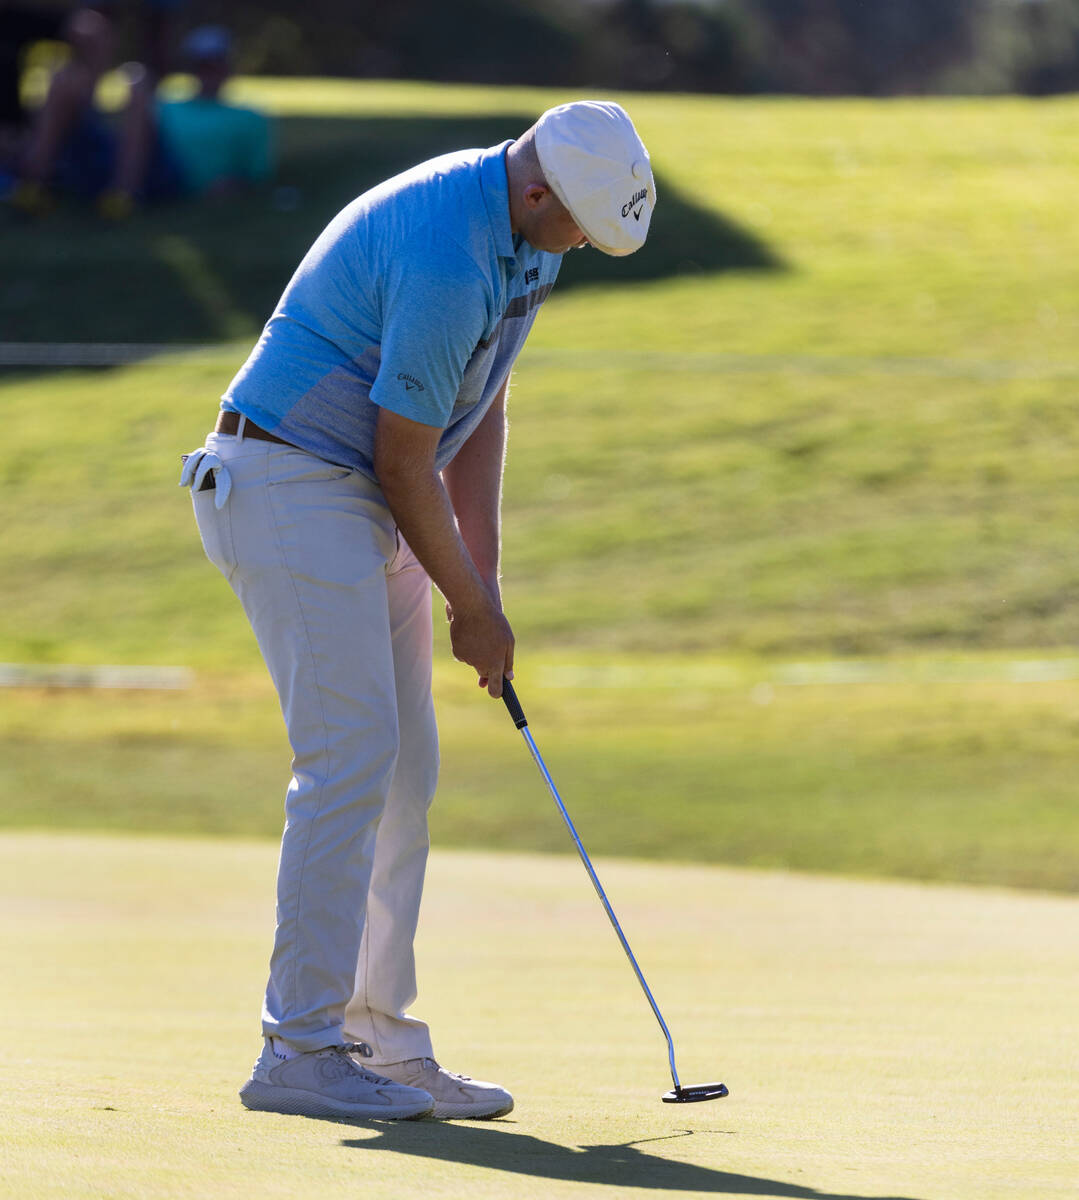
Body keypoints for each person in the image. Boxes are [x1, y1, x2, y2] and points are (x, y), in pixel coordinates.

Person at [179, 101, 656, 1121]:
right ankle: (297, 1051)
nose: (577, 246)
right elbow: (404, 457)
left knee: (404, 775)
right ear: (538, 192)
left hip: (352, 488)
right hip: (287, 478)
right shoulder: (447, 250)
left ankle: (378, 1039)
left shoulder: (528, 232)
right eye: (576, 226)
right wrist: (467, 609)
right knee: (349, 757)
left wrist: (479, 576)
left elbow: (476, 404)